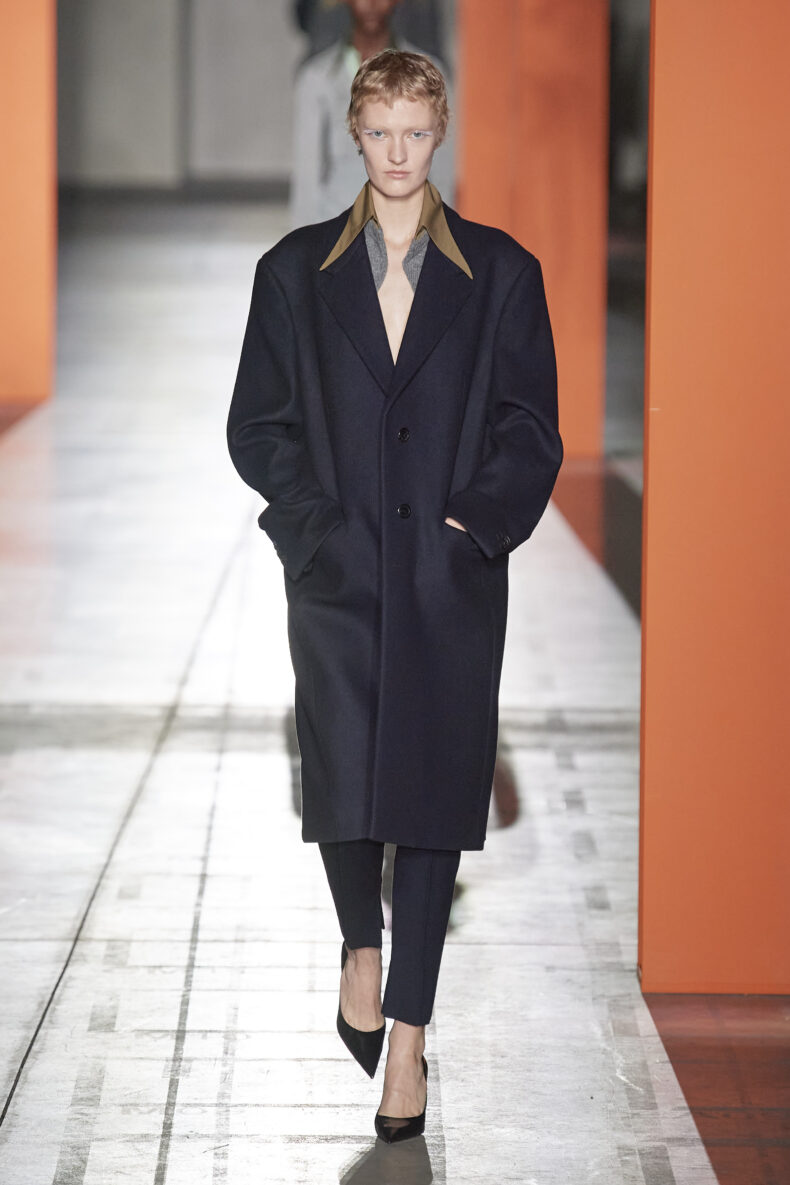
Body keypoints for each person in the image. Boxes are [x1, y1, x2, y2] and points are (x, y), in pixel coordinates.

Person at [227, 49, 562, 1143]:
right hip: (339, 573)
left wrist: (474, 529)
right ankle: (359, 949)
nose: (400, 153)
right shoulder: (294, 272)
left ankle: (407, 1041)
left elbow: (530, 428)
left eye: (417, 132)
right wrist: (312, 532)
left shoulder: (501, 273)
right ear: (356, 135)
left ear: (440, 132)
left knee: (431, 799)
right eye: (382, 132)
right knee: (341, 774)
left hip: (445, 582)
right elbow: (257, 425)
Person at [290, 0, 454, 228]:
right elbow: (306, 177)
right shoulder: (317, 78)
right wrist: (303, 244)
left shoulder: (430, 74)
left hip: (409, 231)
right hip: (337, 230)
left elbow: (442, 171)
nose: (372, 3)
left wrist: (443, 238)